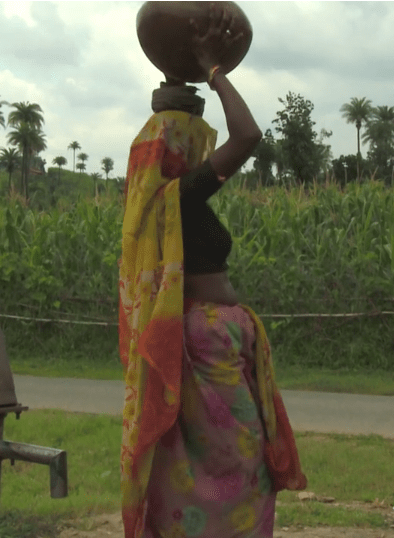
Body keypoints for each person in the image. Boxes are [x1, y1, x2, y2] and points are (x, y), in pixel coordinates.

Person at [119, 5, 306, 538]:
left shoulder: (174, 208)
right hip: (210, 349)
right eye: (187, 135)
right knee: (242, 467)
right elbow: (247, 136)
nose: (199, 142)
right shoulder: (178, 197)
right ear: (170, 148)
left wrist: (184, 77)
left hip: (215, 346)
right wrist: (214, 71)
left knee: (215, 472)